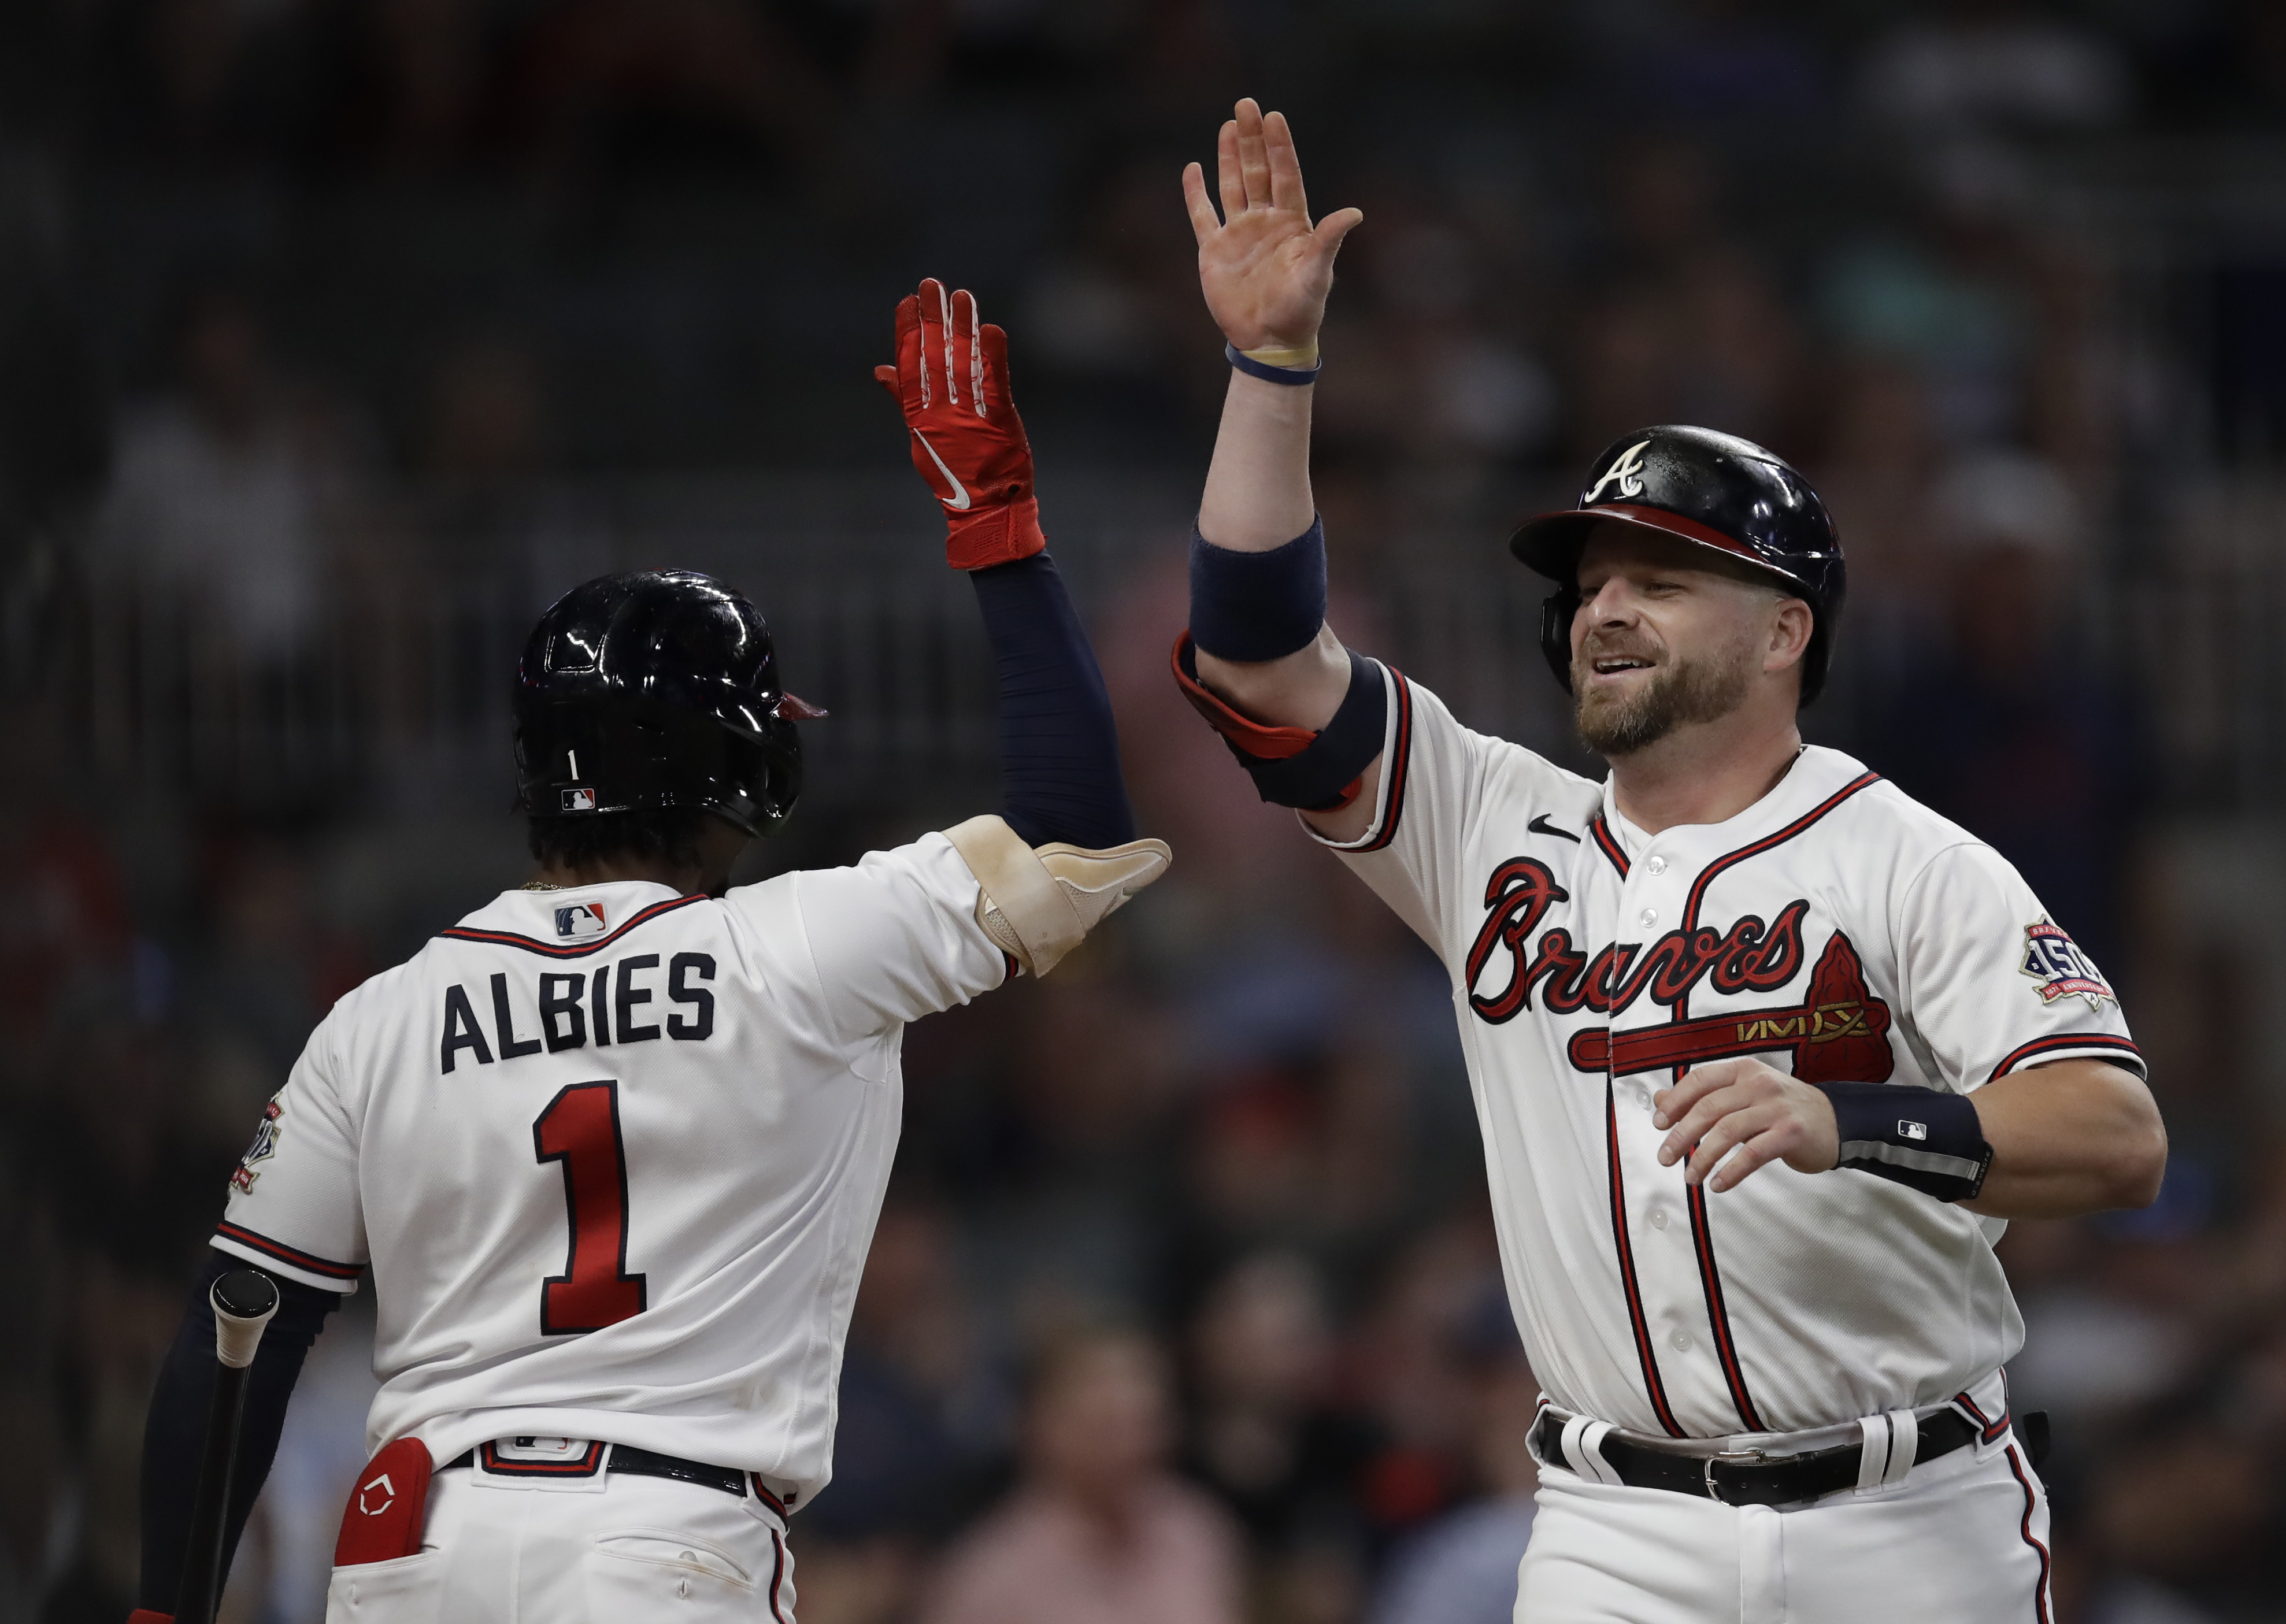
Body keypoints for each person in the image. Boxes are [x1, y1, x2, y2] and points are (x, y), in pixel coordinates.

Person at [1172, 99, 2165, 1623]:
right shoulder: (1488, 819)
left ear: (1786, 631)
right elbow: (1254, 652)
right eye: (1590, 584)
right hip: (1611, 1529)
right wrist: (1272, 369)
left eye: (1659, 577)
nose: (1605, 608)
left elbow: (2112, 1136)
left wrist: (1850, 1122)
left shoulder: (1905, 856)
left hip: (1904, 1517)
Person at [126, 280, 1171, 1624]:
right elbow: (1077, 835)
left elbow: (237, 1337)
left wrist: (163, 1613)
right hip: (661, 1541)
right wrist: (997, 525)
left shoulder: (377, 1017)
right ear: (742, 761)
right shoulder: (801, 944)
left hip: (409, 1544)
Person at [920, 1329, 1244, 1624]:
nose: (1134, 1446)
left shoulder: (1198, 1529)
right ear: (1040, 1427)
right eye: (1107, 1426)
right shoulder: (986, 1580)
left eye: (1146, 1422)